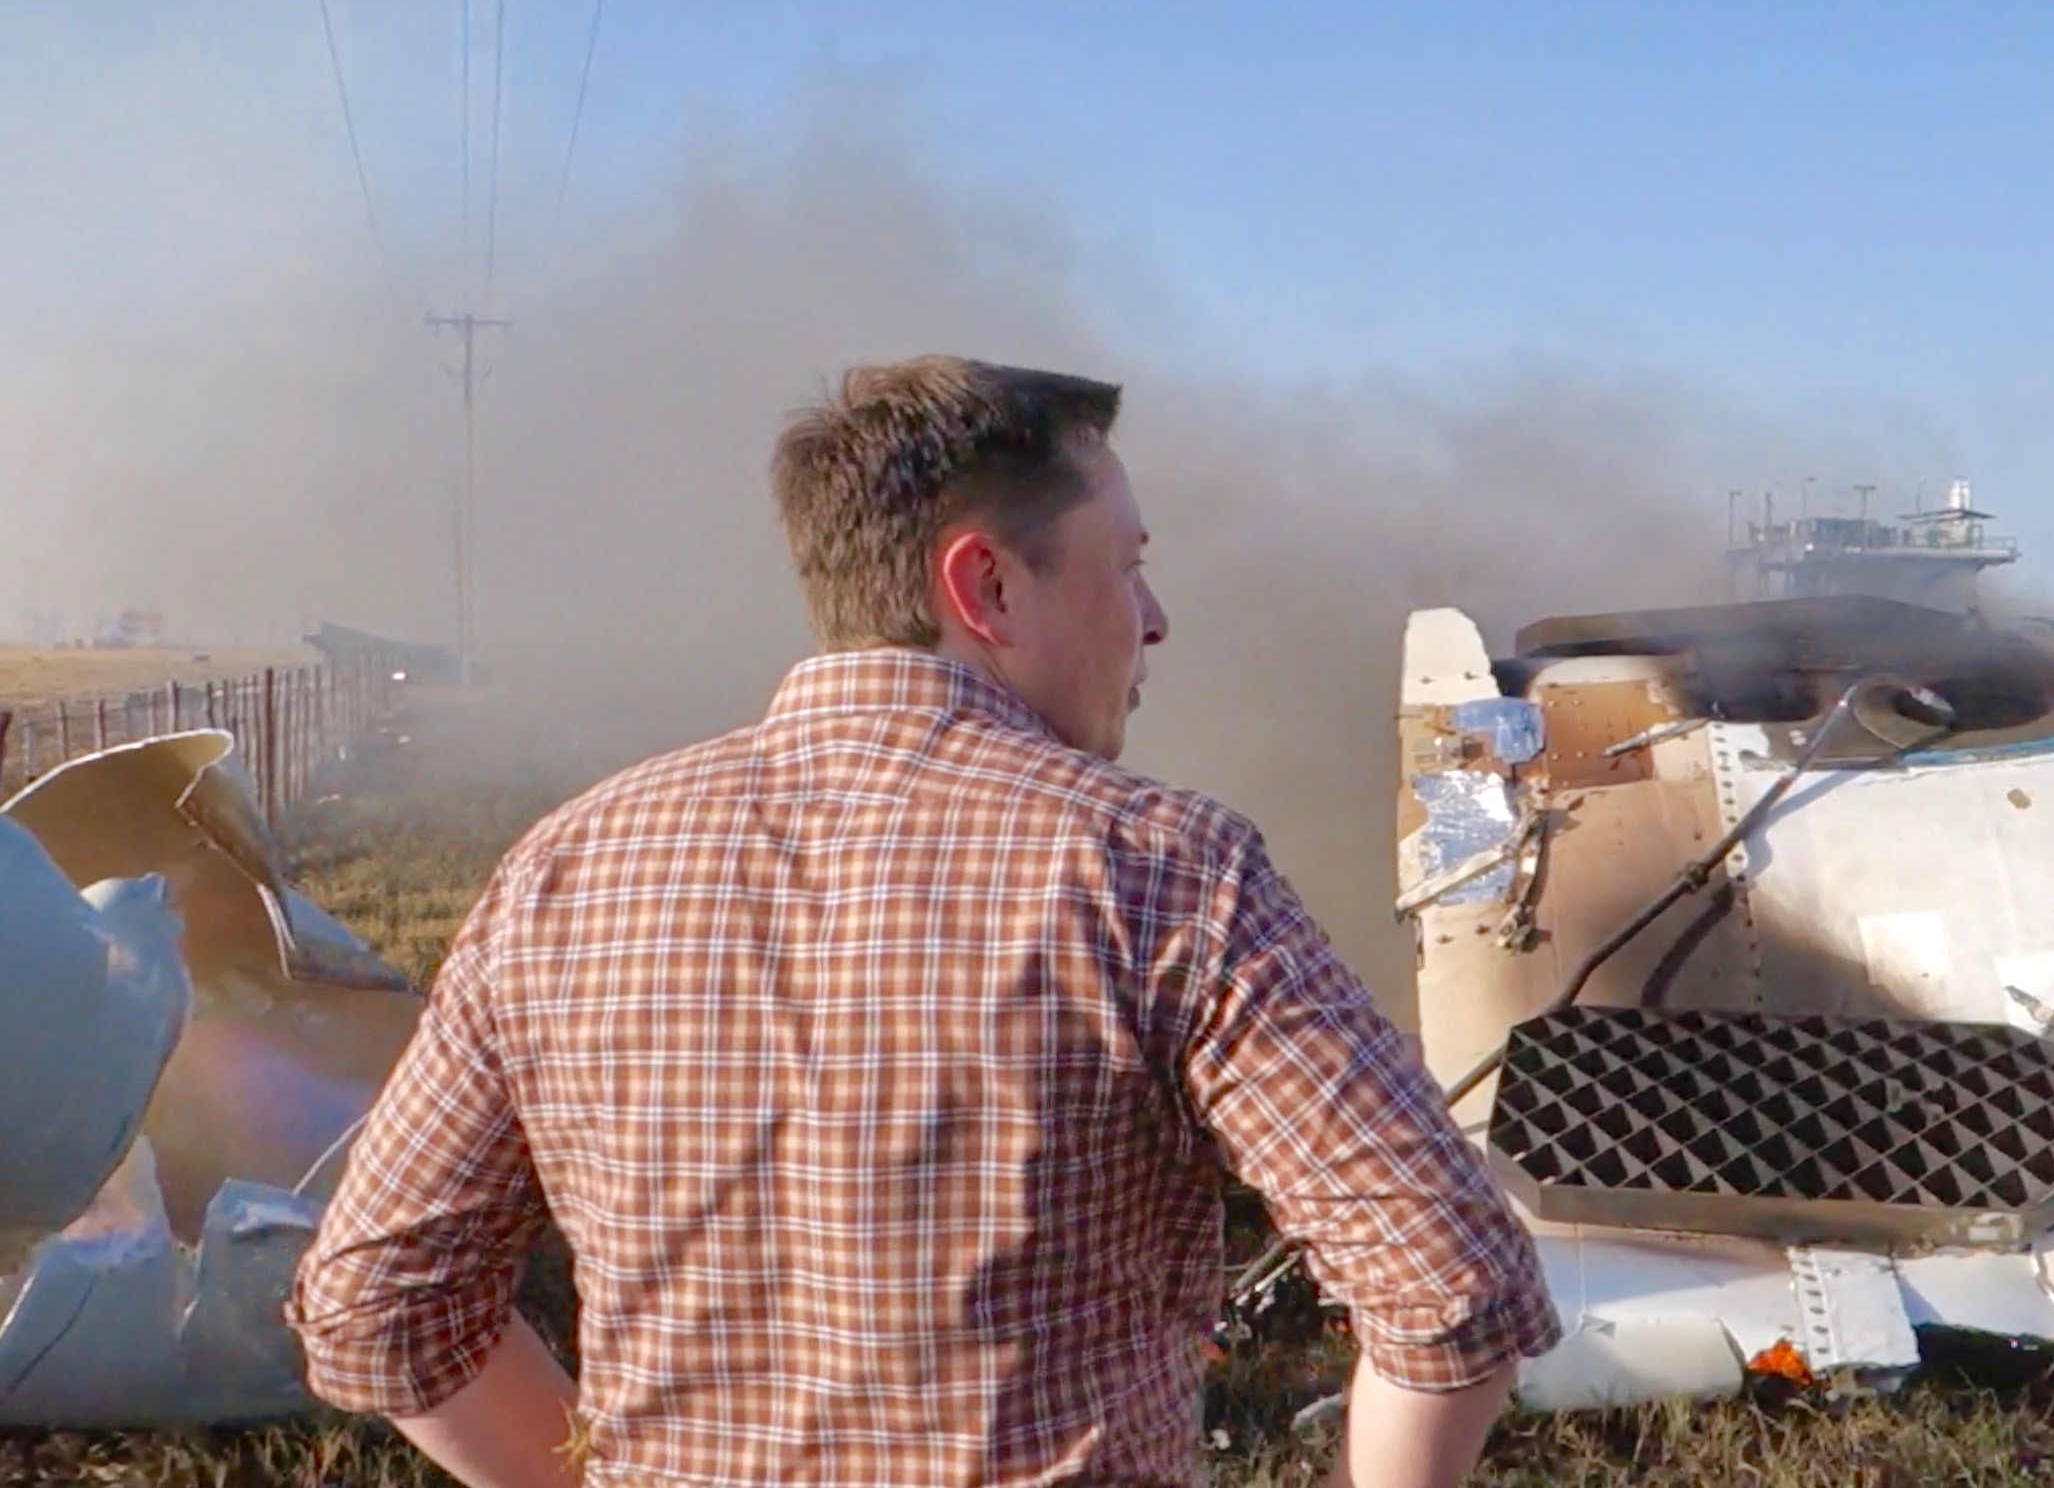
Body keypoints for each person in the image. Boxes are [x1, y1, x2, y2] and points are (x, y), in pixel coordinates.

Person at [288, 358, 1560, 1488]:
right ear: (986, 585)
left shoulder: (561, 872)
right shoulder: (1162, 867)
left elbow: (376, 1311)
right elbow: (1453, 1288)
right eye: (1126, 565)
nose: (1155, 615)